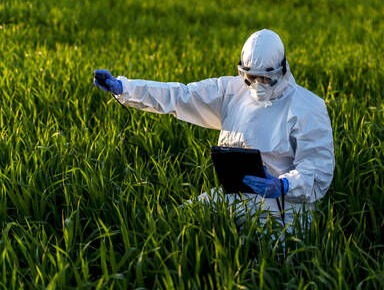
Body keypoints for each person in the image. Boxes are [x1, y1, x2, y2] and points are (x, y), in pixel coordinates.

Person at [94, 29, 335, 232]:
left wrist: (284, 185)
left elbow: (319, 172)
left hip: (285, 208)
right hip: (232, 196)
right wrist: (125, 88)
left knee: (265, 262)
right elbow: (180, 95)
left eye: (266, 78)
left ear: (282, 69)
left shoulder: (307, 107)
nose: (257, 85)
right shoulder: (232, 91)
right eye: (251, 77)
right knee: (171, 226)